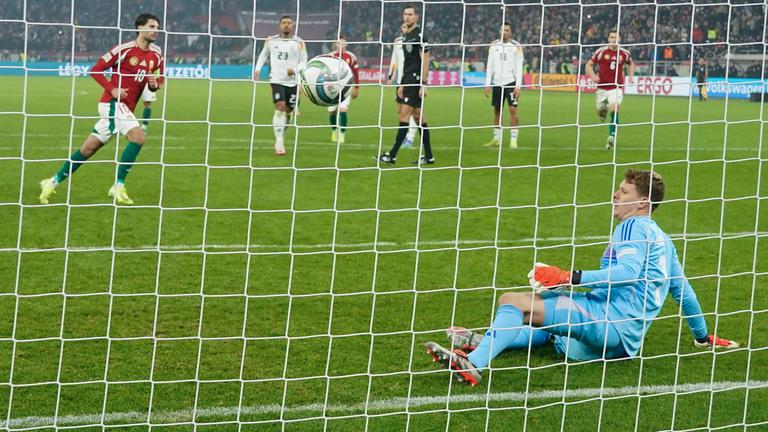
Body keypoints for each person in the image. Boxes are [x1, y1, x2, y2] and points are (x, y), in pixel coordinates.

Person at [425, 169, 739, 386]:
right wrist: (702, 337)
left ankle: (475, 363)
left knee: (513, 301)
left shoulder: (633, 226)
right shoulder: (665, 242)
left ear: (642, 203)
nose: (615, 194)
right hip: (624, 341)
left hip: (608, 323)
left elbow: (628, 273)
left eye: (624, 191)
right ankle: (484, 341)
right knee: (547, 311)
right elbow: (684, 292)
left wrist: (572, 276)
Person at [39, 13, 164, 205]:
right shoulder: (124, 49)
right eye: (152, 27)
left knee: (87, 149)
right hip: (111, 104)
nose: (156, 31)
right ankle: (118, 186)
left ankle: (52, 181)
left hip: (125, 109)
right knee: (138, 137)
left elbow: (158, 81)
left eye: (157, 27)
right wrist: (112, 89)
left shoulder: (157, 54)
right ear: (139, 28)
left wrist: (154, 84)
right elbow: (96, 69)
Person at [376, 4, 433, 165]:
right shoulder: (406, 35)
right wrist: (401, 84)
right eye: (405, 14)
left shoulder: (420, 36)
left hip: (415, 81)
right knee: (419, 118)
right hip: (407, 80)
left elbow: (426, 60)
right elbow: (407, 62)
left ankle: (392, 155)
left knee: (404, 116)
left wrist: (423, 83)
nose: (407, 17)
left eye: (411, 14)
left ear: (417, 17)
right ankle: (429, 156)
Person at [254, 15, 308, 156]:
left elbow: (304, 61)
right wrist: (257, 69)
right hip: (276, 79)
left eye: (289, 23)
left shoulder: (299, 42)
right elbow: (263, 55)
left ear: (292, 26)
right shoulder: (271, 40)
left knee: (288, 111)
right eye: (284, 22)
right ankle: (279, 141)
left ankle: (281, 134)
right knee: (280, 107)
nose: (286, 25)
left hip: (293, 81)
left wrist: (295, 70)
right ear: (279, 25)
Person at [585, 30, 634, 150]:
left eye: (616, 37)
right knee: (601, 111)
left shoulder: (624, 53)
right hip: (602, 88)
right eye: (611, 37)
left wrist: (631, 77)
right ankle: (602, 114)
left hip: (616, 87)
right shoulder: (601, 52)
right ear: (608, 39)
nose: (613, 39)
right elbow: (588, 65)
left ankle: (611, 136)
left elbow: (631, 64)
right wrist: (592, 75)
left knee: (615, 108)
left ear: (620, 39)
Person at [483, 22, 524, 149]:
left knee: (513, 110)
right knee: (497, 111)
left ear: (510, 32)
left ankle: (513, 139)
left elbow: (519, 67)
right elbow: (489, 66)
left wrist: (518, 86)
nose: (505, 32)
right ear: (499, 31)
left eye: (507, 30)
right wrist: (487, 84)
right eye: (503, 30)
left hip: (510, 83)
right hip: (497, 83)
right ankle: (497, 139)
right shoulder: (493, 45)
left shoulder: (516, 46)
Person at [388, 23, 419, 149]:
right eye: (404, 27)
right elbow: (394, 61)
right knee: (401, 110)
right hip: (401, 81)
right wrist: (390, 77)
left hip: (411, 80)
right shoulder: (397, 42)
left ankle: (409, 138)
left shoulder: (416, 40)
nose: (406, 29)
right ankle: (405, 135)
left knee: (410, 111)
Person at [327, 36, 359, 144]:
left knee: (343, 109)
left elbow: (356, 73)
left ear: (346, 44)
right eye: (338, 43)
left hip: (346, 87)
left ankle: (342, 133)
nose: (340, 45)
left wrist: (356, 87)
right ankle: (334, 130)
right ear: (336, 44)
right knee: (332, 112)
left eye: (343, 43)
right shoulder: (330, 56)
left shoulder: (351, 56)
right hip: (332, 88)